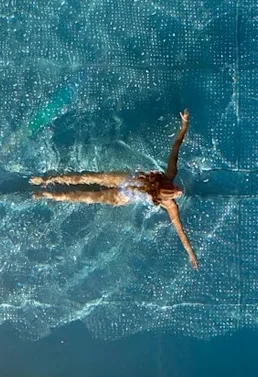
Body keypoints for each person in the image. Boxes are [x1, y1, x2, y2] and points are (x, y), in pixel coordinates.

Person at [30, 109, 199, 270]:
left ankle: (49, 194)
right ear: (166, 184)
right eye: (175, 188)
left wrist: (190, 253)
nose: (179, 191)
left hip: (124, 196)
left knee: (87, 196)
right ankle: (46, 180)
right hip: (127, 180)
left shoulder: (170, 205)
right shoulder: (170, 174)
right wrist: (184, 126)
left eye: (175, 192)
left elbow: (179, 230)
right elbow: (175, 148)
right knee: (88, 177)